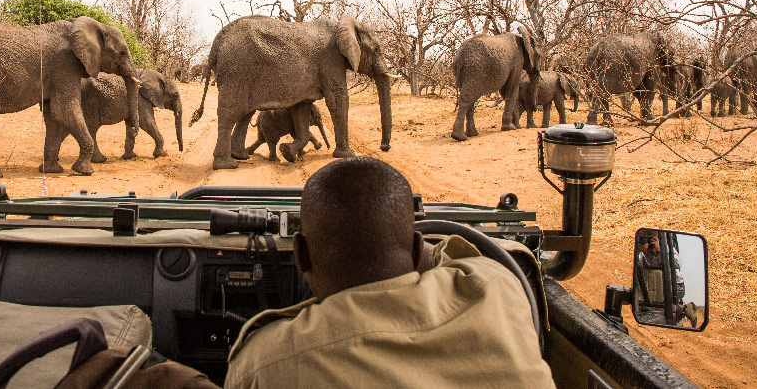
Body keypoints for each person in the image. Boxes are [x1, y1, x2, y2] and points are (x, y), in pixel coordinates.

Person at [224, 157, 555, 389]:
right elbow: (455, 256)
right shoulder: (496, 287)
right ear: (416, 250)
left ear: (300, 254)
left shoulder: (263, 365)